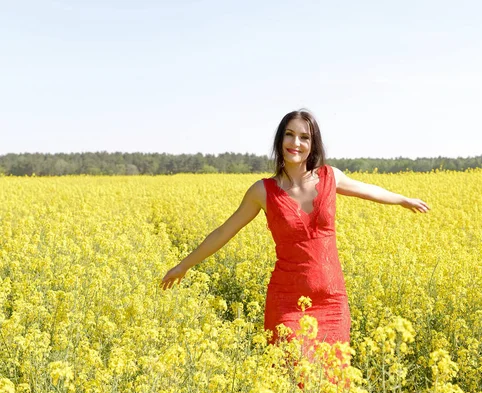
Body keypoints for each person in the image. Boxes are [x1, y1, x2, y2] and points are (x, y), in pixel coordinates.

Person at [160, 109, 430, 347]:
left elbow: (369, 190)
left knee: (333, 383)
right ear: (280, 139)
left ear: (313, 145)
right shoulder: (262, 191)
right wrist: (184, 265)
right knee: (294, 379)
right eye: (289, 135)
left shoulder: (330, 176)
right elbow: (223, 232)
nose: (296, 143)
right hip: (287, 304)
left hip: (333, 303)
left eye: (304, 137)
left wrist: (403, 200)